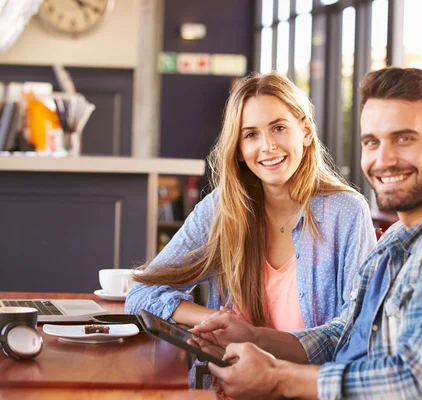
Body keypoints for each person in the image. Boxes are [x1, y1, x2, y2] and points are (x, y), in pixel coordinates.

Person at [191, 67, 422, 400]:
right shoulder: (399, 237)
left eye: (404, 138)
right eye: (372, 142)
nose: (384, 159)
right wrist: (256, 337)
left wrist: (277, 378)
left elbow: (420, 385)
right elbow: (343, 335)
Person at [125, 72, 376, 384]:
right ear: (239, 149)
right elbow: (141, 293)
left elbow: (354, 332)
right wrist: (216, 320)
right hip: (228, 389)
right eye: (251, 135)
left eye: (279, 128)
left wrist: (255, 338)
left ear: (306, 131)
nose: (268, 146)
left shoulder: (346, 212)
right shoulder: (221, 209)